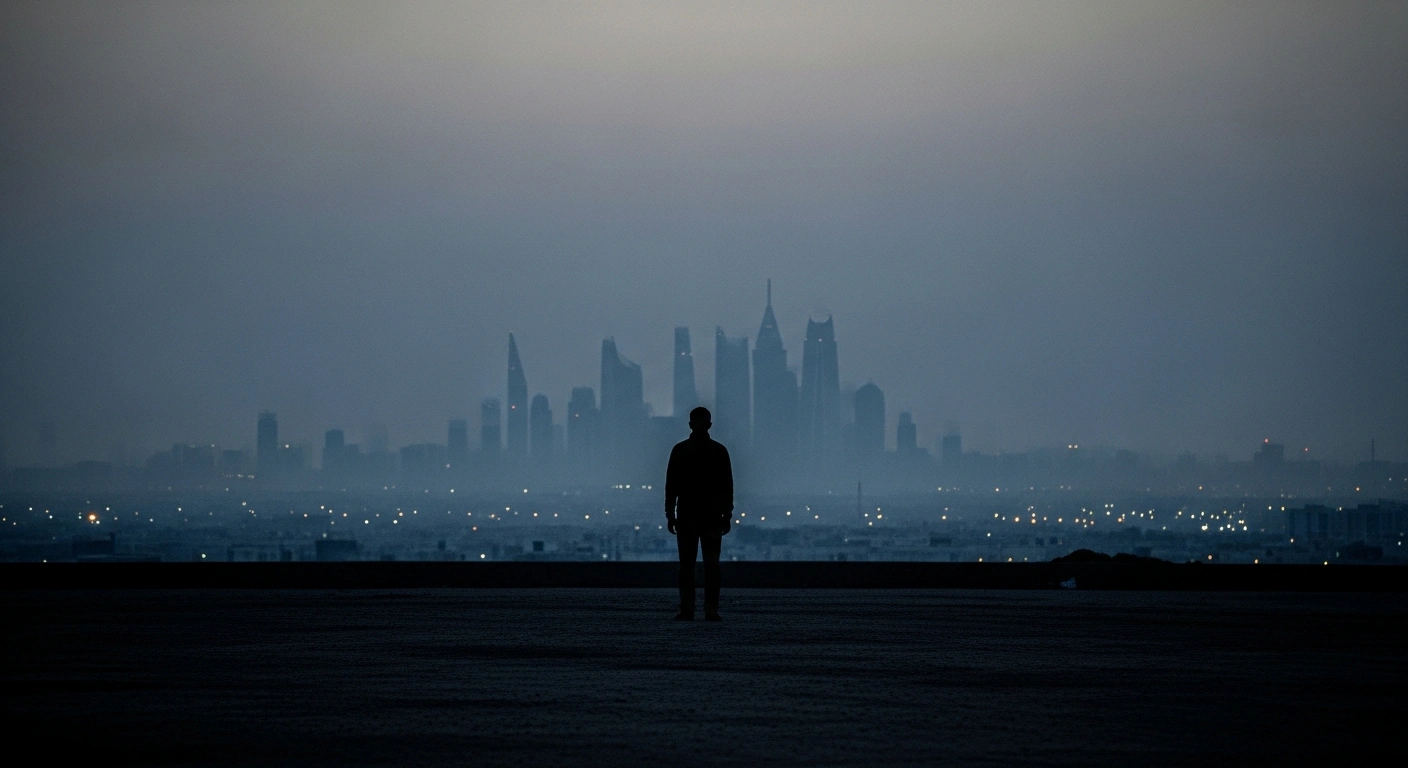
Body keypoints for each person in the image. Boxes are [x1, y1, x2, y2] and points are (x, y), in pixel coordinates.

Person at [665, 406, 733, 621]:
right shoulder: (719, 451)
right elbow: (727, 486)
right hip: (712, 516)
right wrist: (727, 515)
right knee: (711, 566)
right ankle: (710, 610)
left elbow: (671, 485)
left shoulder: (680, 450)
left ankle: (688, 608)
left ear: (690, 424)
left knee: (687, 566)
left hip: (687, 515)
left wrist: (670, 513)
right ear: (710, 425)